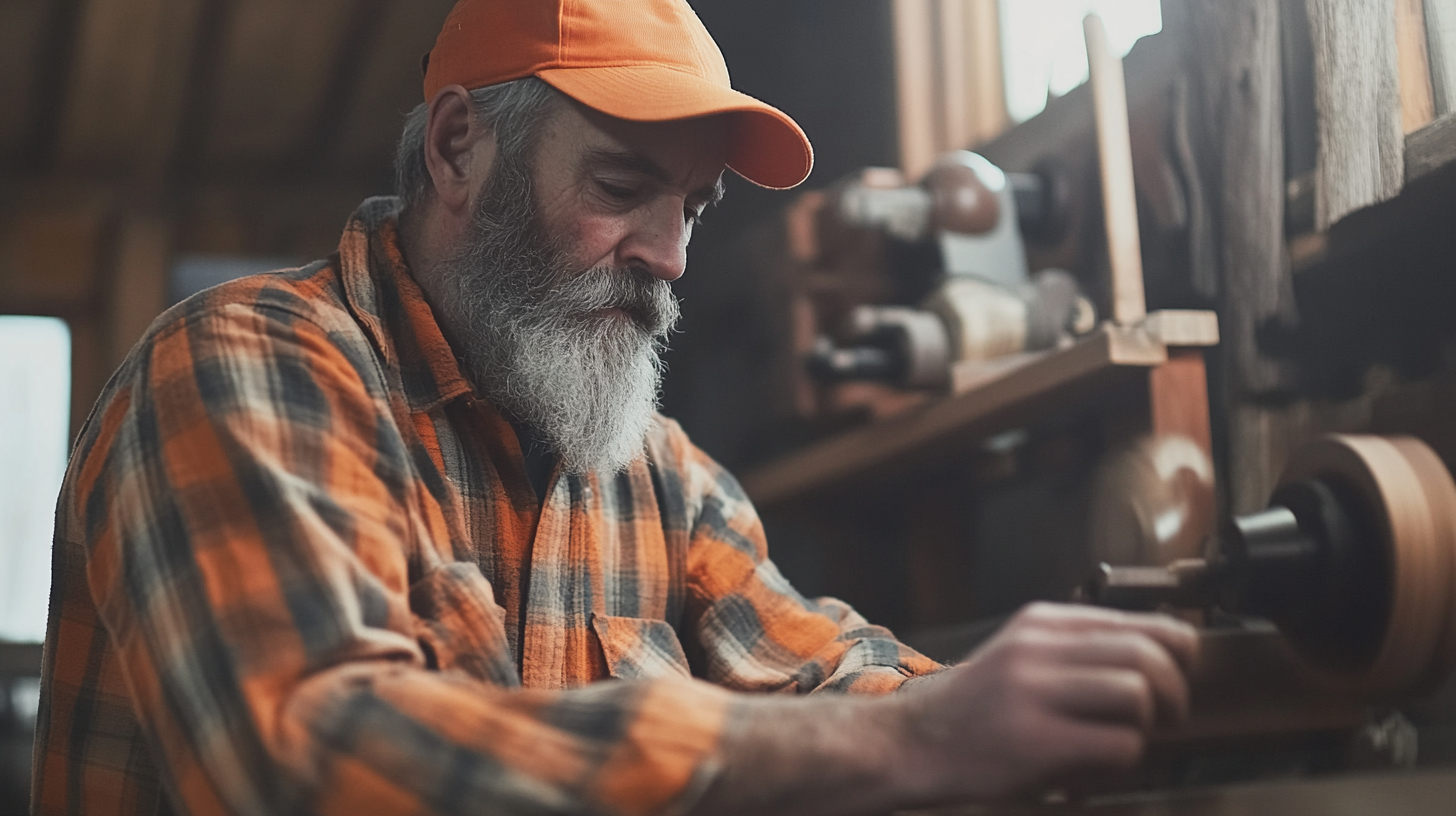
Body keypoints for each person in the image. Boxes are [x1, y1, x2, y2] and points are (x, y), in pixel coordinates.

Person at [32, 1, 1198, 814]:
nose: (671, 257)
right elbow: (314, 763)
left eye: (692, 207)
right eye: (623, 187)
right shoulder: (239, 368)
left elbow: (827, 671)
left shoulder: (654, 473)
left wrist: (1009, 710)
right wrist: (903, 744)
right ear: (456, 151)